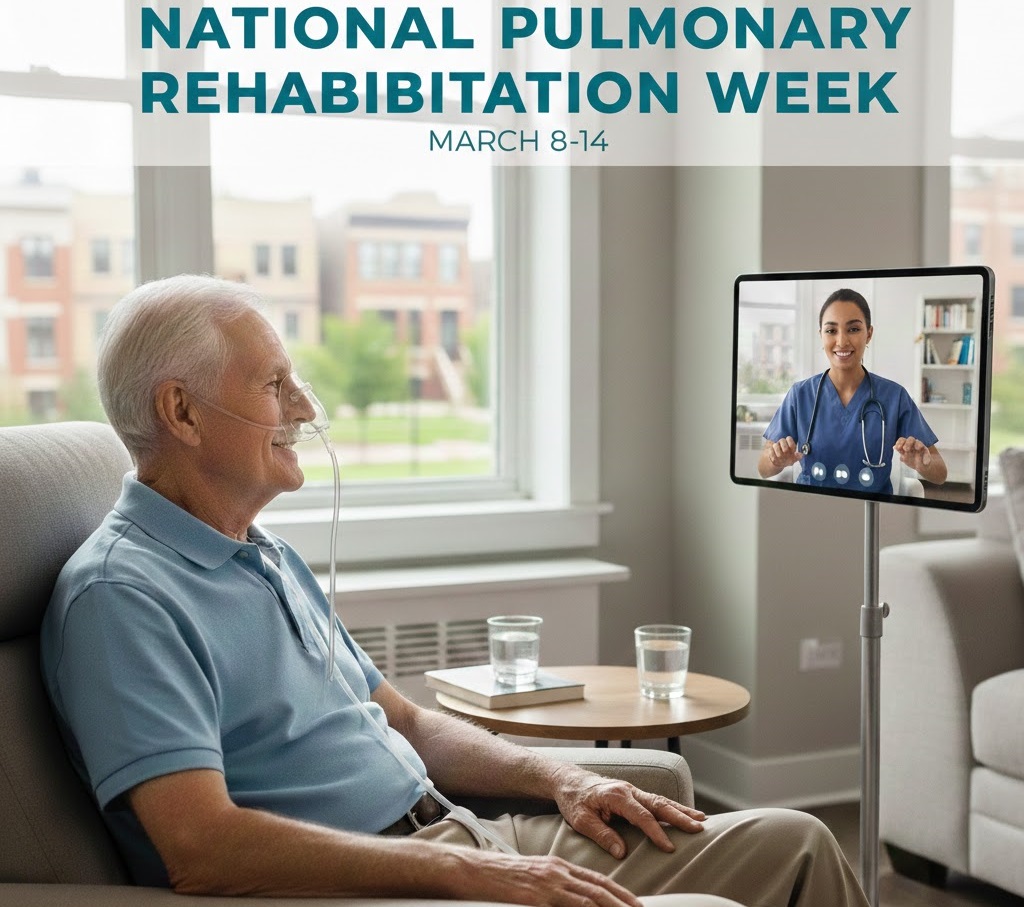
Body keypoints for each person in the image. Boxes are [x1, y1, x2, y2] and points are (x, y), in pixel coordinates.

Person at [41, 275, 869, 907]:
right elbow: (202, 847)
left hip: (456, 835)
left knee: (799, 841)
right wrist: (461, 867)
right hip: (384, 885)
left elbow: (400, 718)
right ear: (181, 413)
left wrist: (557, 778)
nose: (308, 406)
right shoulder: (123, 599)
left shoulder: (260, 552)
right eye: (274, 385)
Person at [758, 288, 947, 493]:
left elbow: (940, 474)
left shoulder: (894, 397)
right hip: (812, 509)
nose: (842, 341)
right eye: (831, 330)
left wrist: (923, 464)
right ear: (821, 335)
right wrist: (777, 460)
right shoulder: (800, 395)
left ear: (869, 334)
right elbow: (763, 468)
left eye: (854, 329)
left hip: (871, 513)